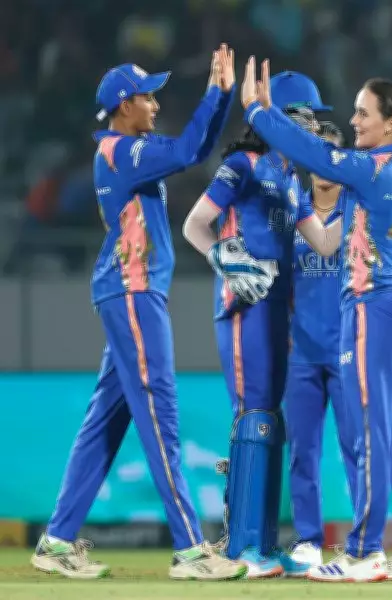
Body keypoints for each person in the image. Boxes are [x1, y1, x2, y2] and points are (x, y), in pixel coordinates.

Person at [32, 46, 246, 581]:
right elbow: (191, 148)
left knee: (106, 423)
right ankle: (191, 550)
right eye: (148, 97)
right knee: (160, 415)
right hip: (133, 292)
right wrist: (214, 92)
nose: (155, 104)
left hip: (129, 291)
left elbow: (198, 147)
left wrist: (221, 97)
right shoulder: (123, 152)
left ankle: (56, 541)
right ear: (125, 104)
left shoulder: (123, 149)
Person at [240, 56, 392, 583]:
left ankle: (366, 551)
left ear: (390, 123)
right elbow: (328, 234)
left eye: (362, 113)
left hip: (373, 305)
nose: (353, 121)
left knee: (371, 432)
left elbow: (314, 152)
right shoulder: (391, 168)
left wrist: (259, 113)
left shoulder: (370, 167)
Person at [182, 71, 340, 578]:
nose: (315, 130)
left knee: (270, 419)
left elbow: (325, 243)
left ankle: (264, 544)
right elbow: (194, 224)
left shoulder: (292, 180)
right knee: (254, 416)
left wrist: (370, 201)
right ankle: (242, 547)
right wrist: (224, 260)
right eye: (309, 119)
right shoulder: (243, 165)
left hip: (277, 311)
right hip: (245, 305)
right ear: (284, 118)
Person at [283, 121, 358, 575]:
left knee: (356, 449)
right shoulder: (293, 209)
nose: (324, 163)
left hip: (348, 349)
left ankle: (362, 542)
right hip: (303, 352)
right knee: (302, 452)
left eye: (332, 154)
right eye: (317, 153)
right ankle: (308, 540)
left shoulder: (358, 205)